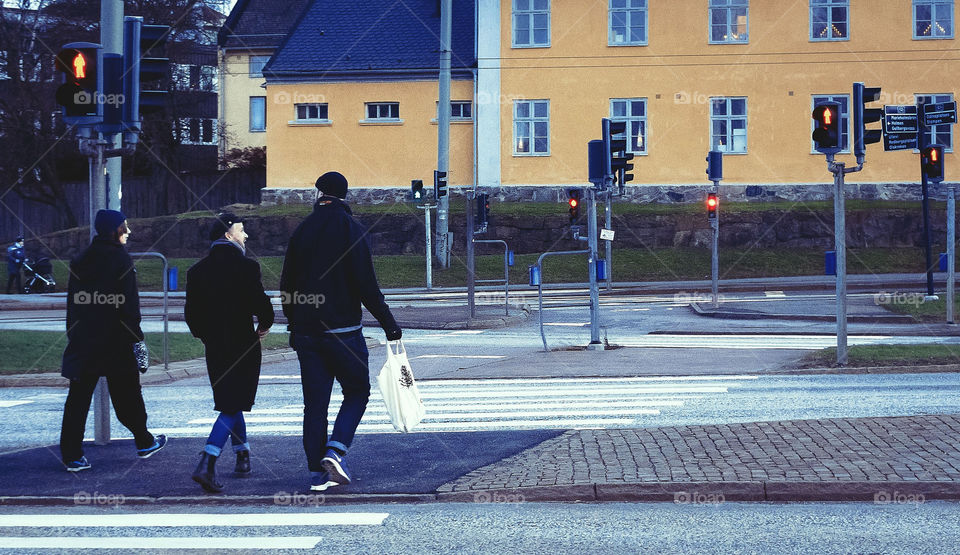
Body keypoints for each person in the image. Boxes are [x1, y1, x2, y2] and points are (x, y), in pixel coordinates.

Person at [280, 171, 402, 492]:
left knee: (315, 403)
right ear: (345, 196)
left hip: (307, 333)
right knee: (357, 391)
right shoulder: (354, 231)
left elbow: (287, 286)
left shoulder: (301, 232)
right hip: (344, 333)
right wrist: (389, 324)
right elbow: (366, 286)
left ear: (320, 194)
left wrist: (294, 324)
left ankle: (315, 470)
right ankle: (336, 450)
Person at [59, 210, 166, 471]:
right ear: (114, 230)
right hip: (117, 342)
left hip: (85, 341)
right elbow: (130, 309)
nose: (127, 232)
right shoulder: (121, 261)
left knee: (78, 400)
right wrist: (137, 341)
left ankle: (72, 455)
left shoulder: (80, 260)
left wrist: (74, 334)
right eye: (124, 227)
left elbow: (73, 305)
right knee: (128, 396)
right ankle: (143, 440)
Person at [184, 212, 274, 493]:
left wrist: (207, 336)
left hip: (215, 348)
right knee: (233, 404)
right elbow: (262, 305)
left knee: (230, 400)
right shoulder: (247, 267)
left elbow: (191, 316)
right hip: (243, 345)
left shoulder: (196, 271)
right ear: (228, 235)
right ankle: (208, 461)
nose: (245, 236)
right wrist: (264, 326)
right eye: (241, 230)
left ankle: (242, 455)